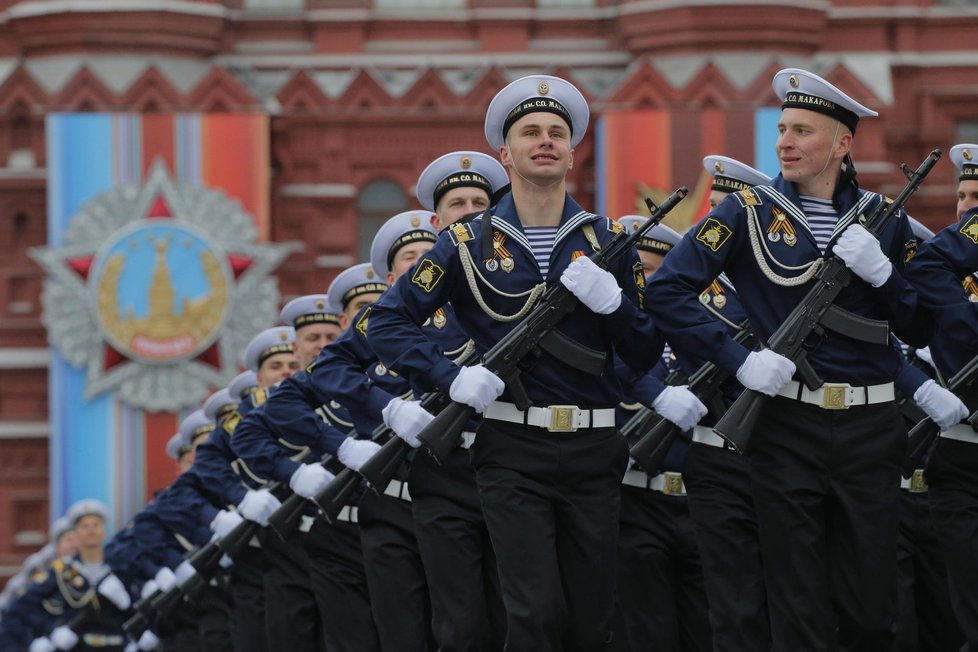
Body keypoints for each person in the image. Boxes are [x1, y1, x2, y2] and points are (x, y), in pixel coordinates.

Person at [646, 68, 965, 650]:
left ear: (843, 144)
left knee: (873, 607)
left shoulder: (883, 220)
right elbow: (666, 289)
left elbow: (920, 324)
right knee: (798, 602)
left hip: (870, 428)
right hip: (786, 427)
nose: (784, 142)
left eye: (802, 131)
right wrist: (739, 360)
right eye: (782, 129)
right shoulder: (746, 212)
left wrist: (885, 275)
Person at [369, 74, 661, 650]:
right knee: (532, 613)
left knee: (591, 620)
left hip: (595, 445)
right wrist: (451, 377)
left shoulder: (610, 241)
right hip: (512, 451)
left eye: (557, 132)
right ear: (506, 154)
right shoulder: (464, 242)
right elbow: (386, 321)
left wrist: (615, 305)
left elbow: (646, 349)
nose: (545, 140)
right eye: (530, 132)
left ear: (573, 153)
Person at [406, 150, 510, 652]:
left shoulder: (515, 281)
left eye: (478, 201)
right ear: (437, 220)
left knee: (521, 613)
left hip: (515, 458)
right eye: (456, 203)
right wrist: (388, 408)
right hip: (446, 469)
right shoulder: (413, 294)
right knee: (461, 625)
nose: (469, 210)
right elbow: (338, 365)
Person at [674, 155, 773, 652]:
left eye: (725, 208)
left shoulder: (783, 278)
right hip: (715, 454)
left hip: (783, 450)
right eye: (710, 207)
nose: (713, 219)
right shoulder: (690, 290)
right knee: (733, 602)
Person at [612, 218, 712, 652]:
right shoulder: (603, 337)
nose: (640, 283)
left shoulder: (701, 333)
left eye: (649, 271)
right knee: (643, 634)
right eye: (631, 271)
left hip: (699, 502)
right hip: (632, 503)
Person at [903, 143, 978, 651]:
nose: (967, 207)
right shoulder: (950, 280)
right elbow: (927, 265)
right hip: (963, 450)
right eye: (962, 196)